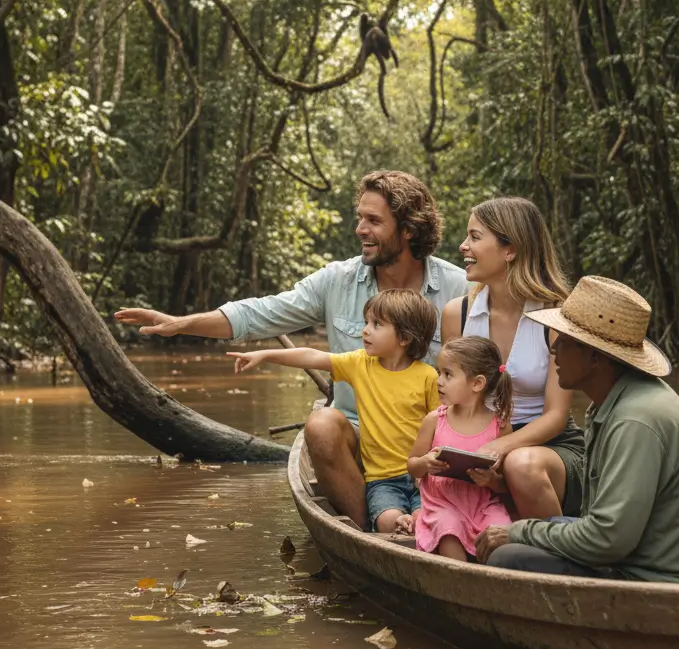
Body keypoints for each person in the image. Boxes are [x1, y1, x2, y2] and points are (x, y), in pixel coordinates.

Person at [115, 170, 467, 529]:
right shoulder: (337, 281)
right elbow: (261, 313)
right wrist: (182, 322)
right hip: (362, 435)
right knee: (321, 424)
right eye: (359, 217)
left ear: (408, 229)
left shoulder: (458, 286)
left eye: (374, 220)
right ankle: (372, 535)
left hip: (434, 440)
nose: (360, 229)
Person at [476, 276, 679, 584]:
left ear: (595, 357)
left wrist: (519, 531)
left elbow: (607, 540)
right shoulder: (614, 402)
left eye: (566, 341)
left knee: (509, 555)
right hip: (639, 555)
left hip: (669, 580)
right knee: (526, 535)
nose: (555, 349)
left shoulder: (635, 419)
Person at [227, 289, 439, 533]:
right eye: (366, 322)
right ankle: (398, 525)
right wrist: (264, 354)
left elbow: (441, 427)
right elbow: (312, 356)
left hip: (423, 477)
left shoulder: (428, 376)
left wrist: (428, 468)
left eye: (377, 324)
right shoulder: (360, 364)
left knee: (427, 516)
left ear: (404, 338)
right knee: (386, 521)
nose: (365, 330)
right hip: (382, 481)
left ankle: (415, 523)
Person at [440, 197, 585, 519]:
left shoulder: (558, 318)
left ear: (511, 249)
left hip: (549, 448)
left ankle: (557, 557)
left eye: (475, 237)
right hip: (478, 442)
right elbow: (451, 401)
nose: (463, 246)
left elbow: (556, 415)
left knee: (520, 465)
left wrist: (499, 448)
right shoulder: (456, 314)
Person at [408, 336, 513, 561]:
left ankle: (496, 583)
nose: (439, 381)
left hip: (483, 506)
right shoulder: (435, 420)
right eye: (439, 372)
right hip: (441, 505)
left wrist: (491, 480)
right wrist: (425, 463)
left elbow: (506, 484)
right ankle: (458, 582)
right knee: (448, 528)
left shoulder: (500, 427)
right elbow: (412, 466)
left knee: (501, 533)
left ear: (477, 384)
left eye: (448, 374)